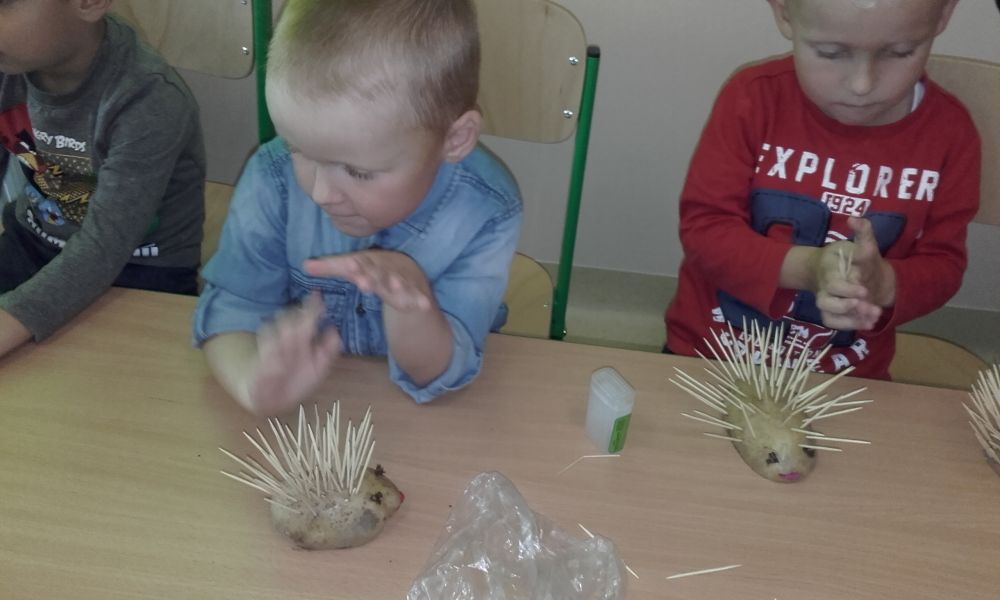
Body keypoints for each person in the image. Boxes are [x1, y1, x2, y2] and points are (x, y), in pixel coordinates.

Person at [193, 0, 523, 416]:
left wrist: (413, 307)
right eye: (298, 149)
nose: (320, 193)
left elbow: (439, 373)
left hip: (421, 420)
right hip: (315, 409)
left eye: (357, 172)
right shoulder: (272, 178)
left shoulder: (486, 210)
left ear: (454, 140)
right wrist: (251, 382)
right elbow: (232, 308)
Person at [665, 0, 979, 379]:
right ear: (784, 12)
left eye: (899, 52)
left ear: (943, 15)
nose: (862, 85)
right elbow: (704, 232)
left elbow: (944, 265)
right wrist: (809, 270)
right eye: (831, 53)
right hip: (709, 357)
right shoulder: (751, 99)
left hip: (844, 378)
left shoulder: (951, 134)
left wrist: (885, 283)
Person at [0, 0, 205, 359]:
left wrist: (12, 321)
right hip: (31, 244)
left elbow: (105, 246)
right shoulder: (10, 64)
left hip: (140, 270)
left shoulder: (149, 98)